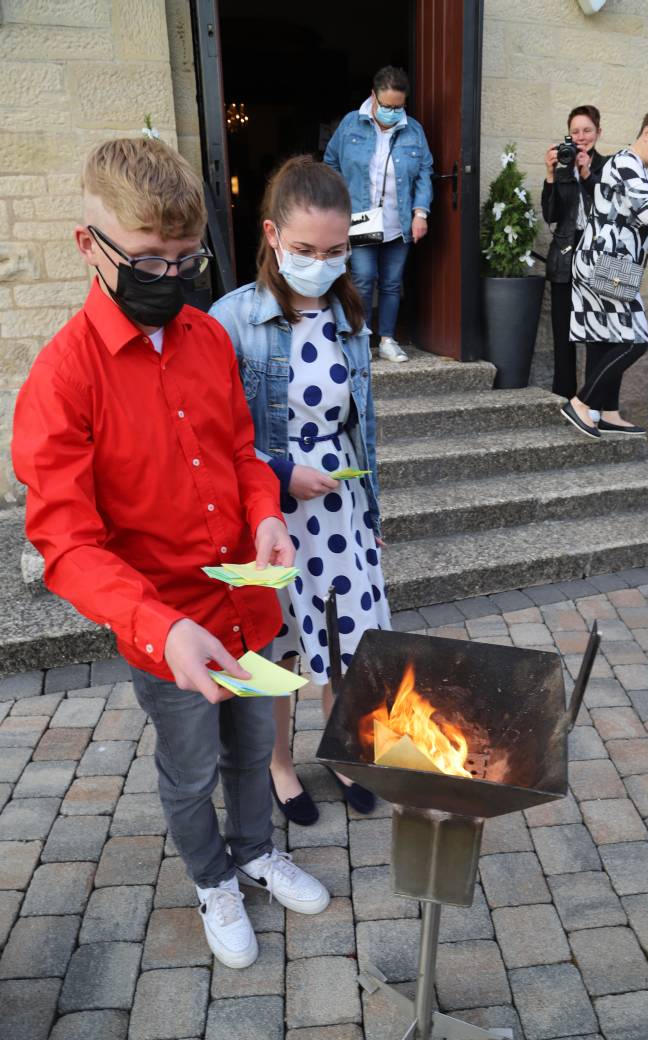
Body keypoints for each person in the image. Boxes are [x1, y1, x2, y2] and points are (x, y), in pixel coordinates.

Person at [11, 137, 330, 971]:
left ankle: (257, 848)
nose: (174, 279)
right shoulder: (62, 380)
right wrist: (159, 626)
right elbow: (67, 544)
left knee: (254, 738)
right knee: (189, 768)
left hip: (245, 599)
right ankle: (213, 876)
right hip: (165, 625)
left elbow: (240, 451)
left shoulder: (206, 337)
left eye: (189, 260)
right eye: (151, 262)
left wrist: (266, 513)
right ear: (92, 244)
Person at [210, 156, 391, 826]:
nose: (323, 261)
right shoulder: (231, 320)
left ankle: (341, 753)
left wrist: (371, 512)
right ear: (272, 235)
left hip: (339, 513)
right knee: (281, 649)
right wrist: (284, 474)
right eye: (307, 249)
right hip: (273, 514)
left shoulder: (349, 315)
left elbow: (360, 428)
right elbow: (211, 436)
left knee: (345, 645)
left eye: (338, 249)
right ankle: (280, 768)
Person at [561, 103, 648, 439]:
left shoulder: (629, 165)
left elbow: (625, 223)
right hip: (607, 265)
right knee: (635, 340)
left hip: (605, 261)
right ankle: (582, 404)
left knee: (608, 337)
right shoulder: (629, 161)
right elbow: (646, 214)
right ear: (647, 131)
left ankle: (609, 413)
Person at [324, 64, 433, 362]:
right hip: (361, 219)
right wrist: (338, 202)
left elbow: (424, 171)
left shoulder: (414, 130)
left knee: (392, 282)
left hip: (398, 223)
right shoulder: (350, 124)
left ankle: (386, 339)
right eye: (386, 106)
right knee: (362, 277)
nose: (392, 111)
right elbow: (330, 161)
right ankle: (360, 337)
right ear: (373, 96)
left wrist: (420, 213)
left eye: (398, 107)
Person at [542, 105, 607, 399]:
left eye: (587, 130)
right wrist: (551, 174)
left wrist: (587, 173)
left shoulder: (610, 167)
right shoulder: (563, 165)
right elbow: (551, 214)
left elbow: (610, 209)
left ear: (598, 132)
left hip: (598, 259)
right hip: (566, 259)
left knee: (598, 336)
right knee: (563, 335)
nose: (581, 137)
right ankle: (564, 397)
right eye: (575, 132)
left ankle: (592, 400)